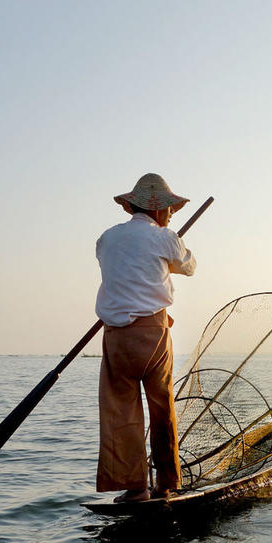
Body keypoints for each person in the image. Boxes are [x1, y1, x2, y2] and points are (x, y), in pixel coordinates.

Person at [95, 174, 196, 502]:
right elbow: (190, 267)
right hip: (153, 333)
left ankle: (135, 488)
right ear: (159, 211)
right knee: (162, 404)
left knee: (121, 410)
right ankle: (166, 484)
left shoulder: (106, 239)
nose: (171, 215)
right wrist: (175, 245)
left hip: (116, 339)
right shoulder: (166, 237)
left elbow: (123, 270)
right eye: (168, 210)